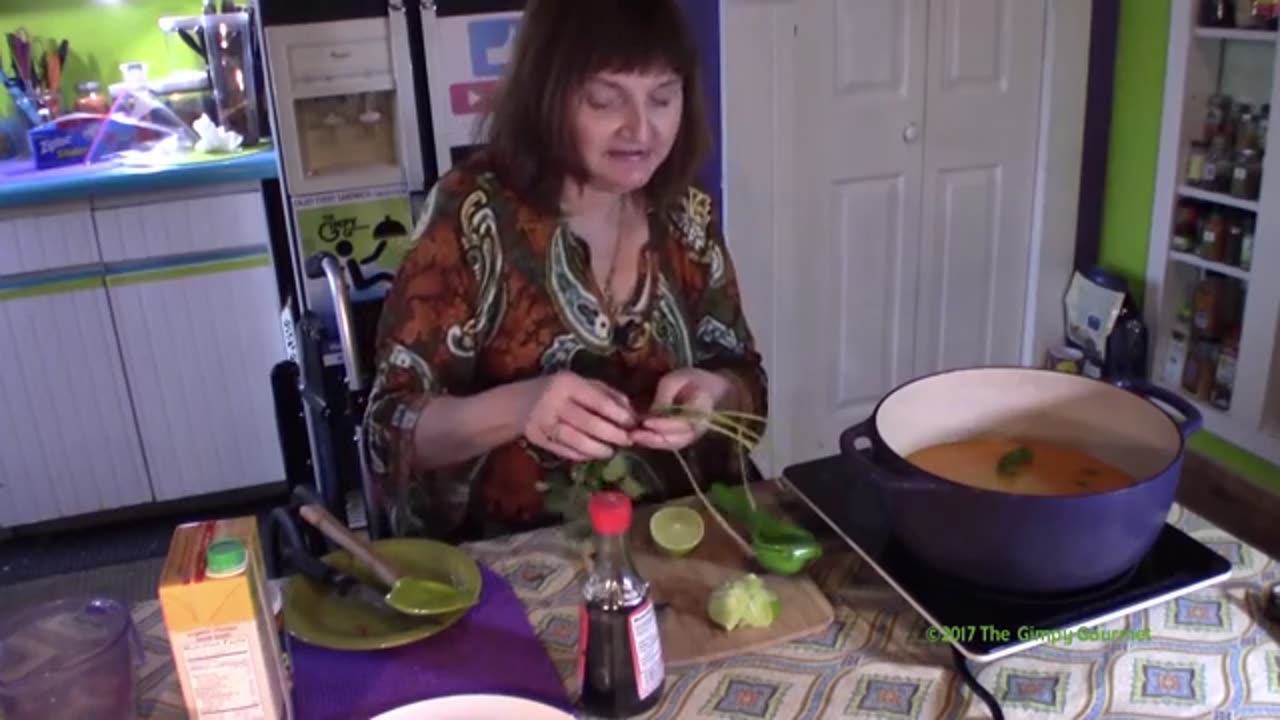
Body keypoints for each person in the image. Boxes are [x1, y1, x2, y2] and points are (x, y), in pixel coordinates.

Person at [362, 0, 769, 541]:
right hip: (515, 559)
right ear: (547, 97)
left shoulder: (685, 217)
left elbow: (749, 386)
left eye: (663, 98)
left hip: (679, 541)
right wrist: (519, 406)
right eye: (605, 100)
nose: (641, 129)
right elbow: (389, 432)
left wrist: (715, 393)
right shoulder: (471, 215)